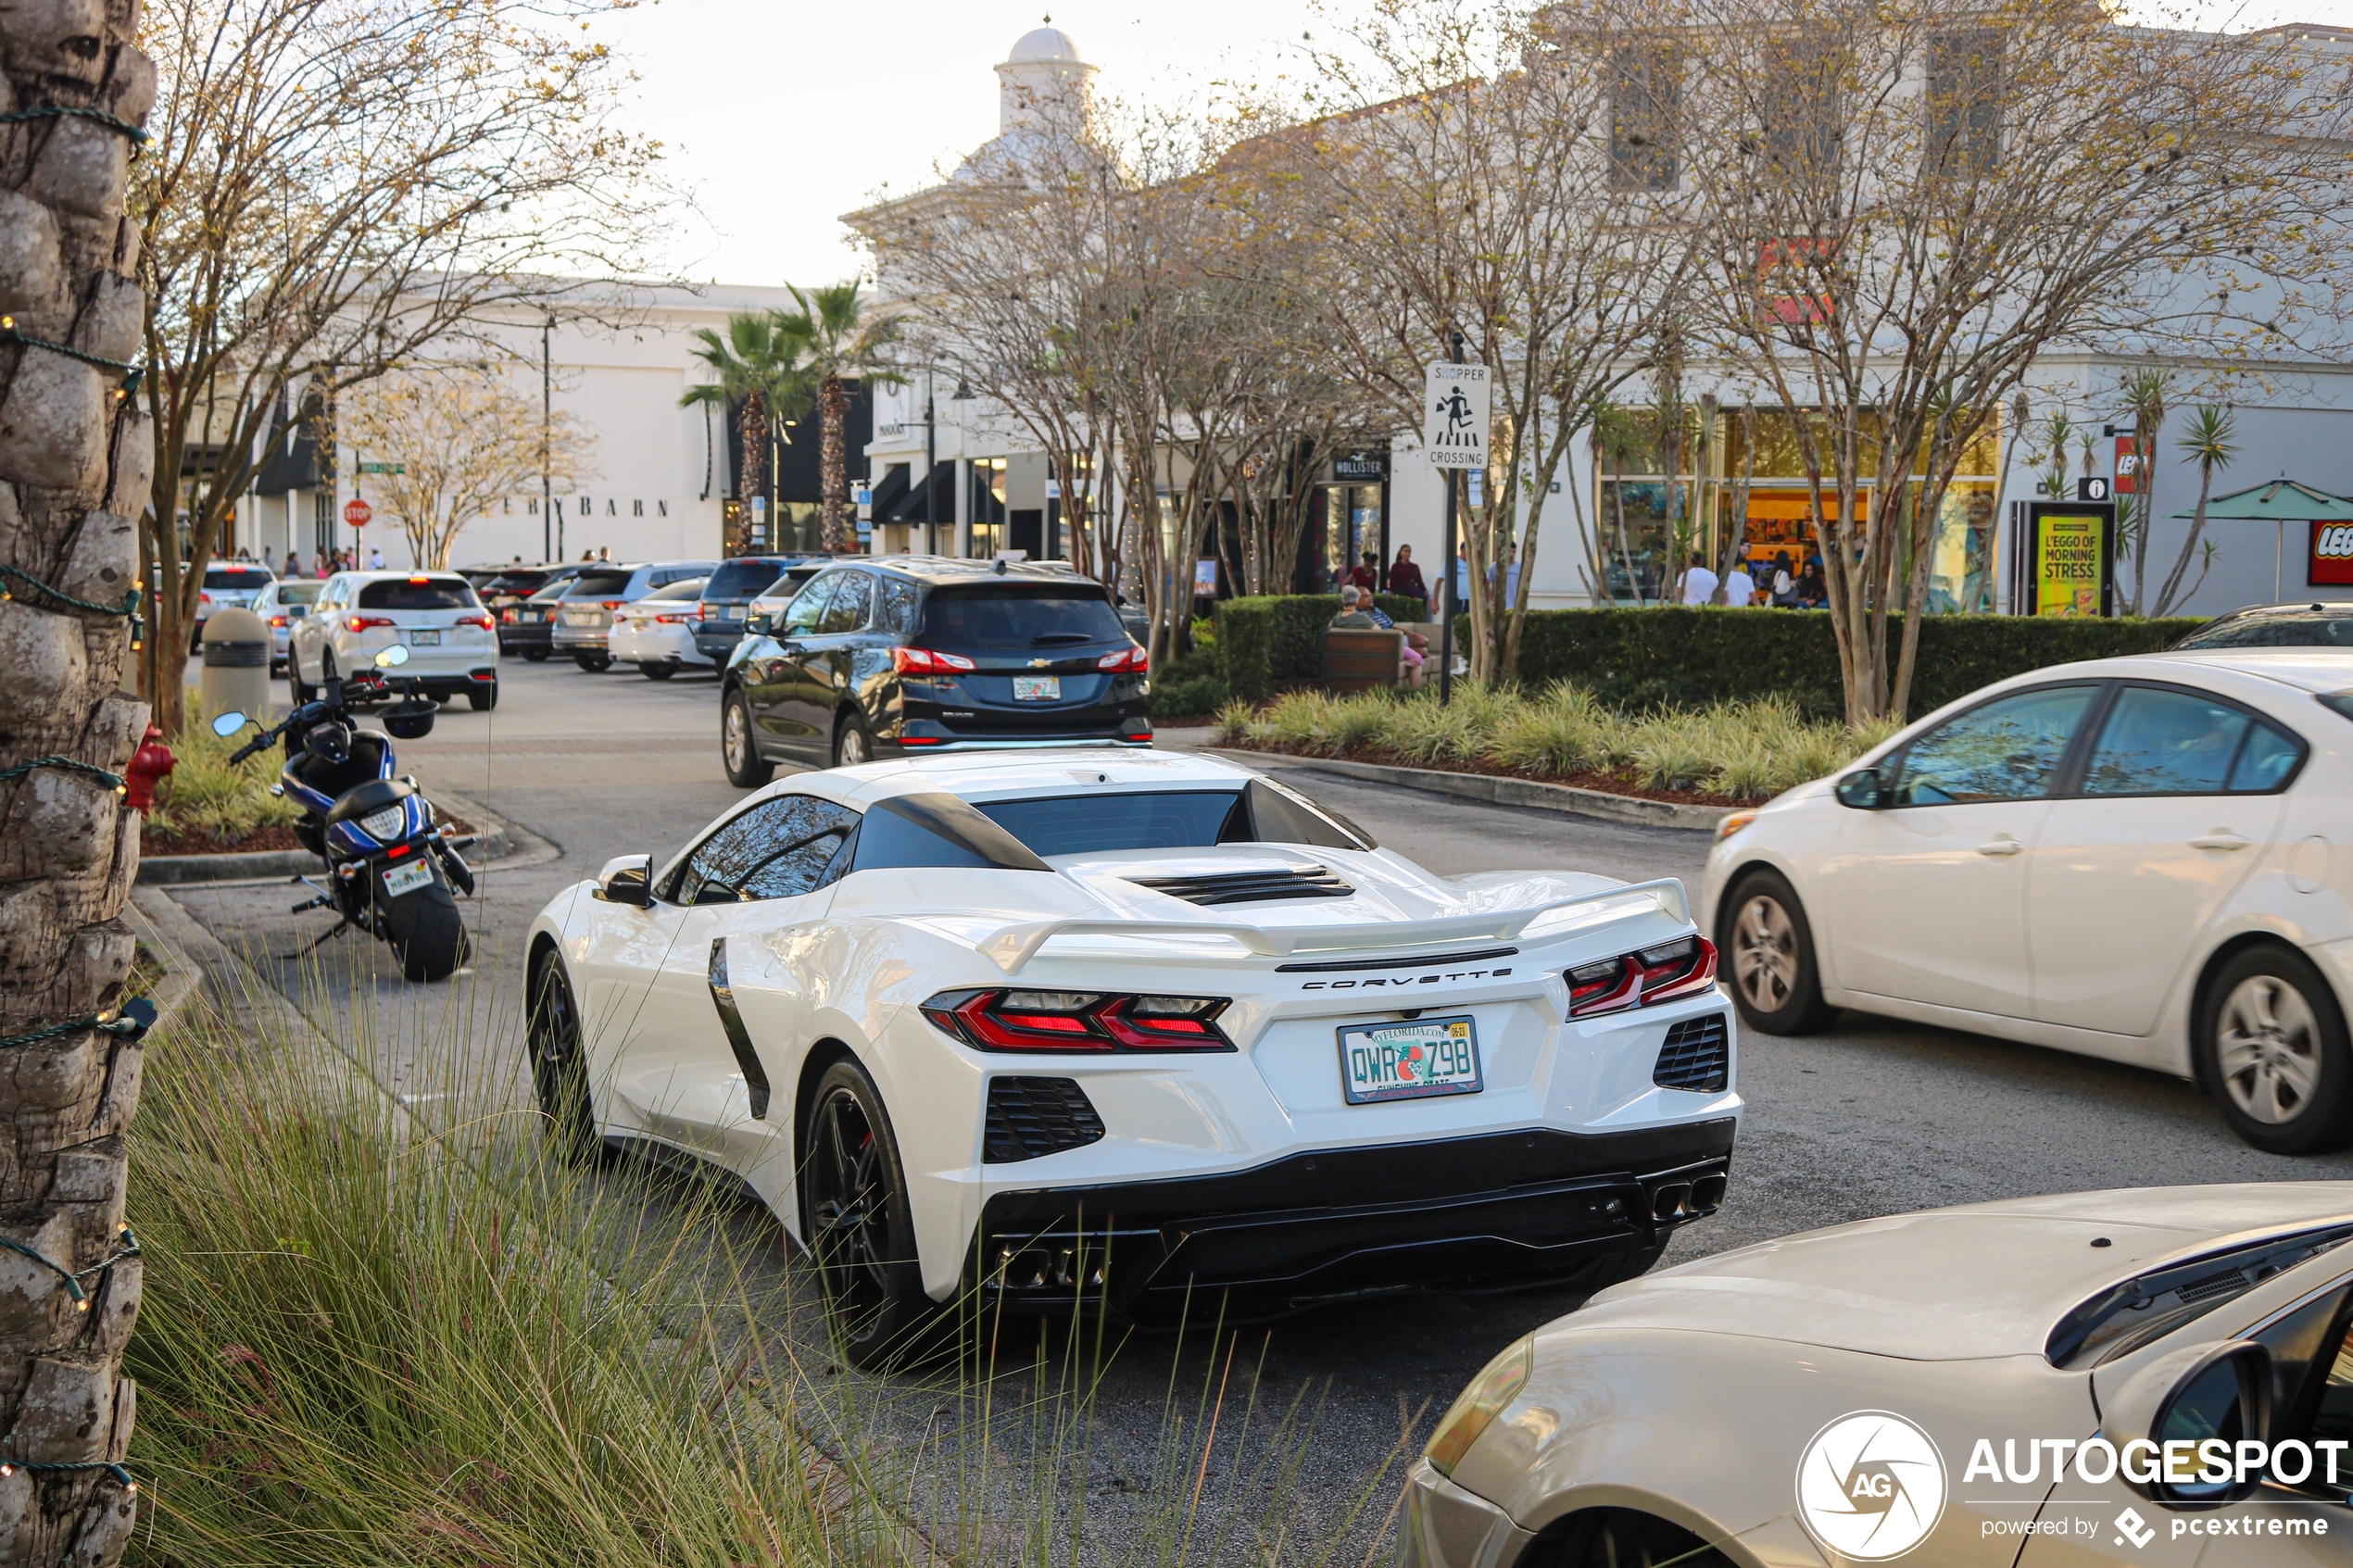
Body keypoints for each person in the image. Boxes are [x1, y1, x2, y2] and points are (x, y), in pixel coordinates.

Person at [1364, 597, 1429, 687]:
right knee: (1421, 654)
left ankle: (1405, 655)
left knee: (1423, 641)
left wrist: (1407, 632)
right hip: (1389, 641)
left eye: (1370, 595)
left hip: (1397, 636)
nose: (1370, 598)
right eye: (1365, 596)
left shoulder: (1377, 610)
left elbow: (1392, 625)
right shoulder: (1361, 616)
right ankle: (1415, 692)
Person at [1386, 544, 1428, 608]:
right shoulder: (1396, 566)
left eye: (1409, 551)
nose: (1407, 553)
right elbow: (1393, 583)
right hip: (1400, 596)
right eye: (1405, 551)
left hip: (1412, 596)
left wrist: (1426, 593)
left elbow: (1420, 582)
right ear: (1401, 553)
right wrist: (1391, 595)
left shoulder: (1414, 567)